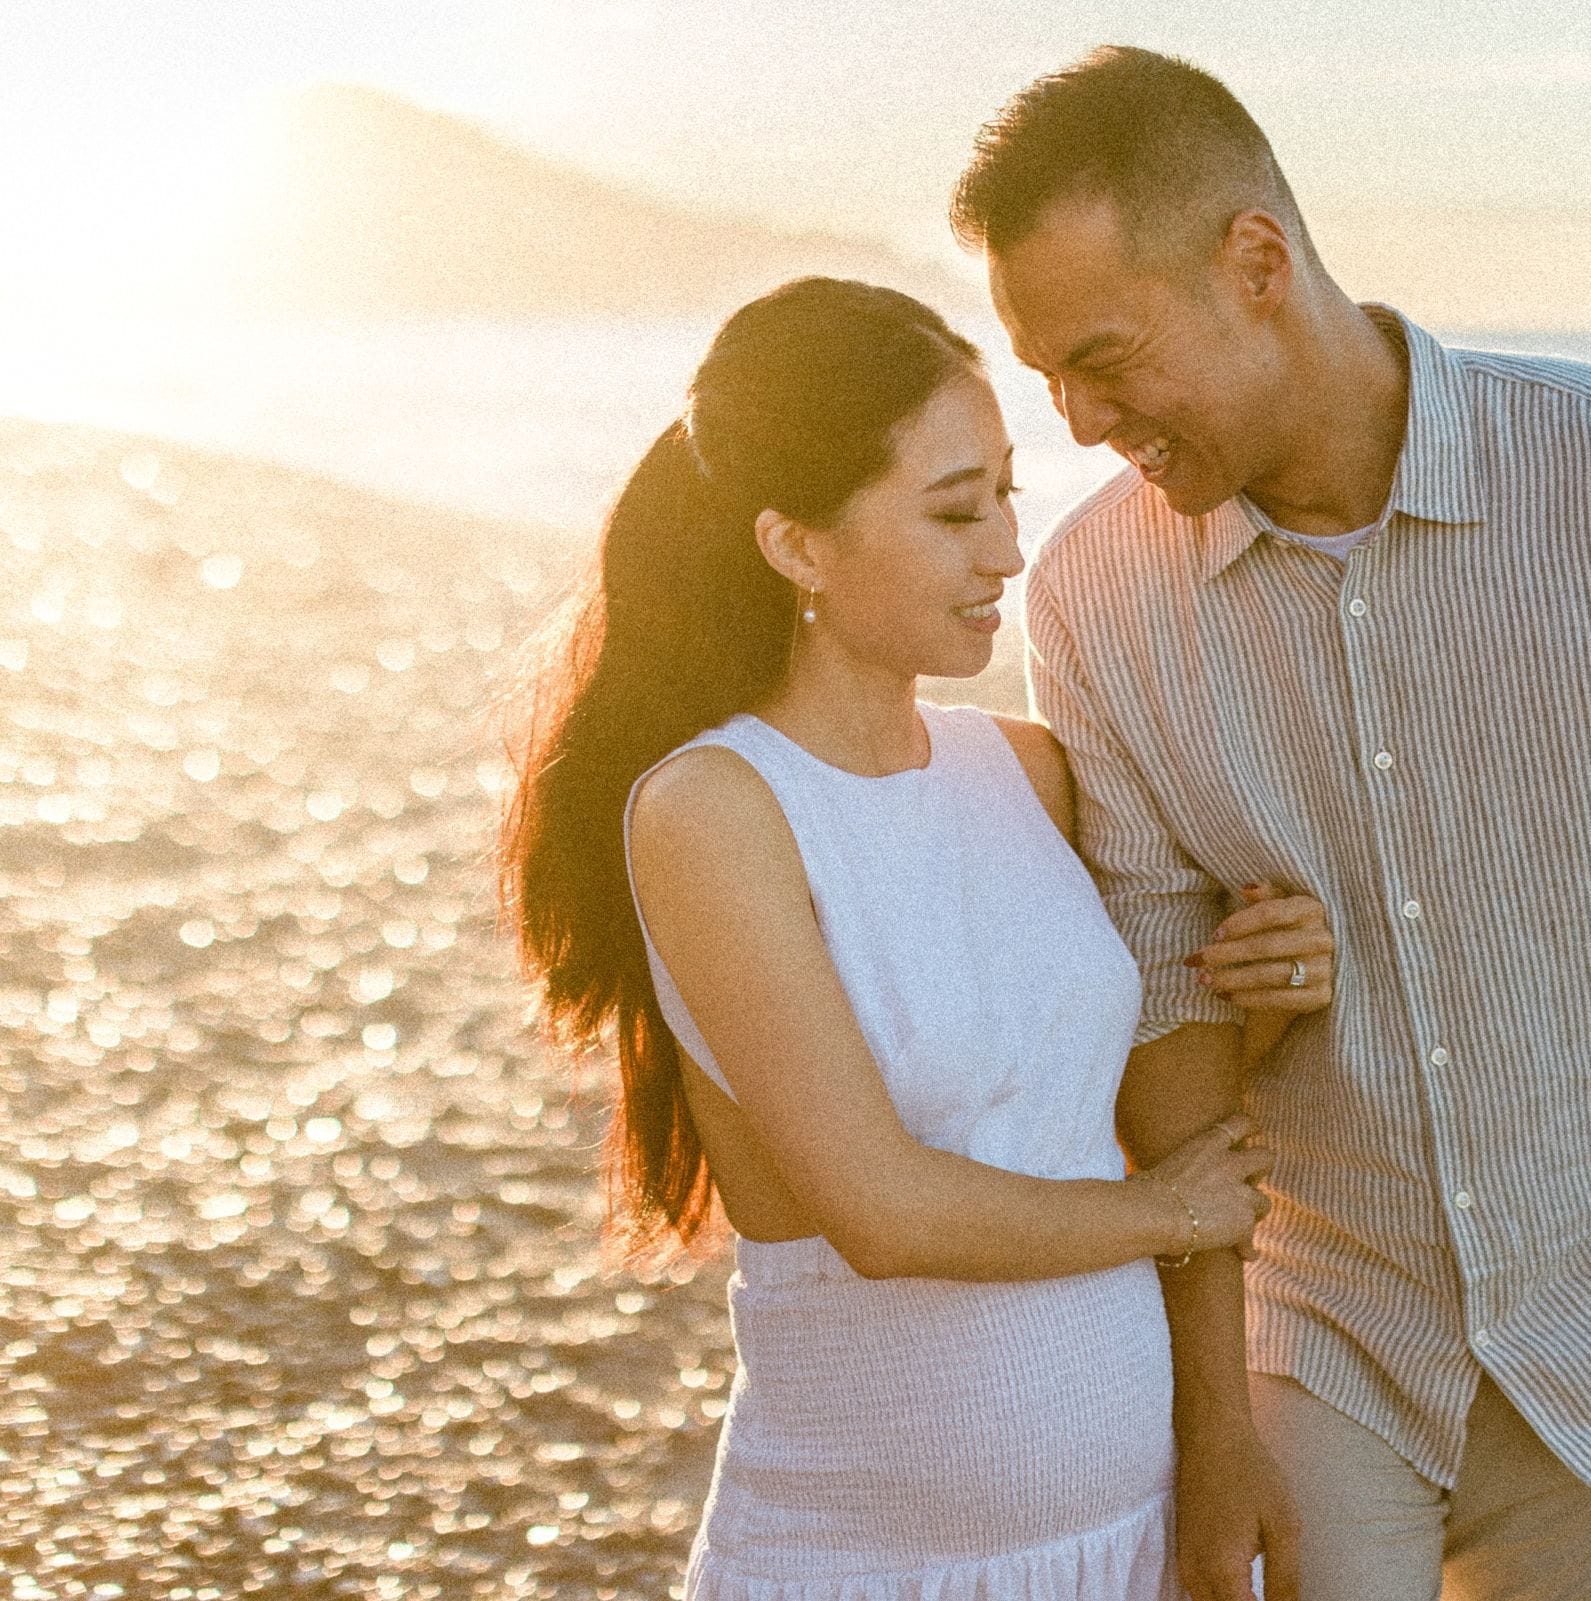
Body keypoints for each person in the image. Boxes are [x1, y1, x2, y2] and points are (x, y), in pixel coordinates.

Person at [950, 47, 1591, 1601]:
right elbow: (1163, 990)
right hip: (1323, 1333)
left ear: (1256, 263)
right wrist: (1207, 1416)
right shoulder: (1094, 597)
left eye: (1105, 357)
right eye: (1049, 377)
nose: (1082, 417)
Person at [499, 276, 1340, 1600]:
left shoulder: (1031, 771)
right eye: (956, 510)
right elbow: (882, 1207)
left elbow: (1130, 1096)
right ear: (798, 545)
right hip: (876, 1562)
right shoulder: (716, 808)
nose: (1007, 550)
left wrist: (1272, 991)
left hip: (1133, 1534)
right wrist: (1160, 1211)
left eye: (1008, 494)